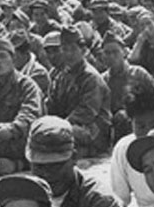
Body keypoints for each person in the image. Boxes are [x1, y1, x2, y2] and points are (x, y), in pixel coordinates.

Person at [0, 36, 44, 175]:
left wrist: (11, 129)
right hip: (0, 140)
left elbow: (30, 114)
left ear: (13, 59)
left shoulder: (27, 85)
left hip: (23, 139)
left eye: (2, 56)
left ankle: (21, 164)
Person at [46, 27, 112, 158]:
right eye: (65, 49)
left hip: (94, 132)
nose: (68, 54)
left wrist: (59, 126)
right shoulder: (61, 76)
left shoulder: (91, 77)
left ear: (82, 50)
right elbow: (52, 104)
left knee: (58, 141)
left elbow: (86, 112)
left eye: (73, 49)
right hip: (70, 126)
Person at [111, 87, 154, 207]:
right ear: (131, 125)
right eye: (140, 126)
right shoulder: (123, 149)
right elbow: (119, 200)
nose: (149, 133)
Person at [99, 33, 153, 142]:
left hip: (139, 122)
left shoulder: (139, 74)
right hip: (112, 125)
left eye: (115, 52)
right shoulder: (102, 80)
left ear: (124, 52)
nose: (111, 56)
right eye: (107, 53)